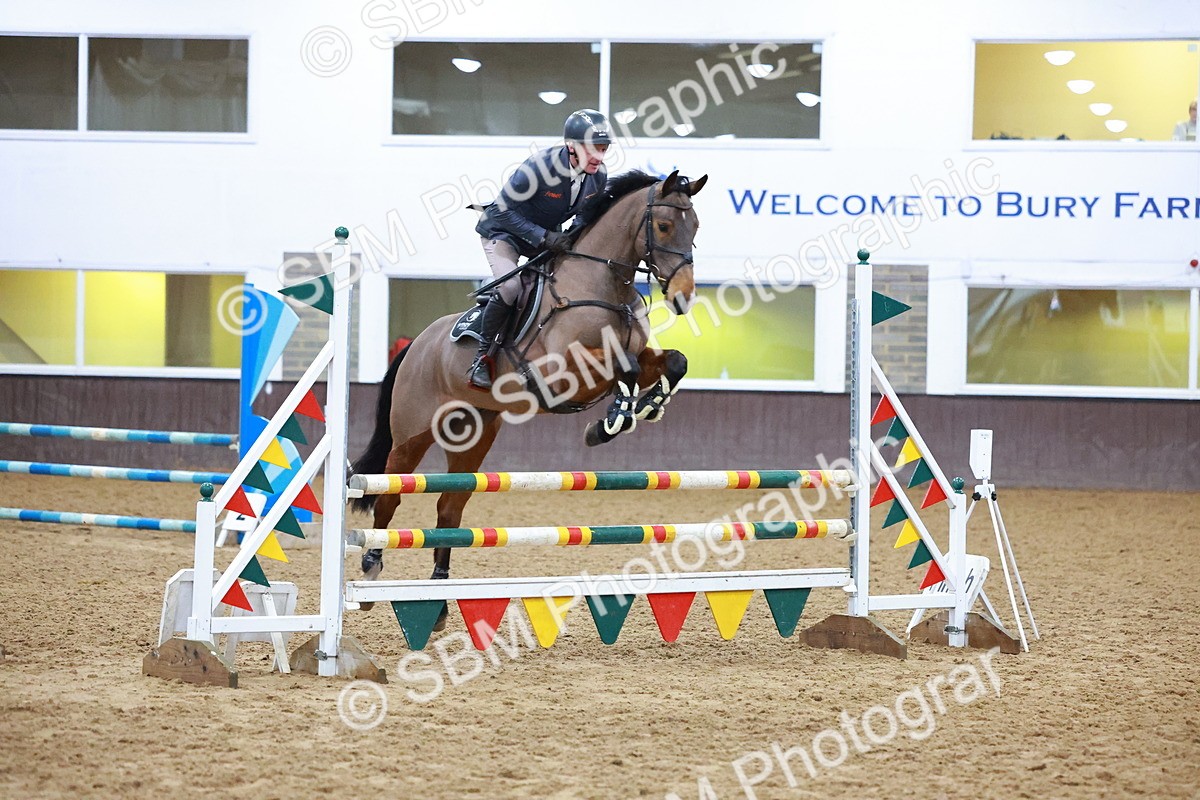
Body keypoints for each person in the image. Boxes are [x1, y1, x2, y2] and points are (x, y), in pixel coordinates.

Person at [469, 108, 613, 389]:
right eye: (592, 148)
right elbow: (500, 211)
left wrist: (571, 233)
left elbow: (587, 212)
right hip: (503, 232)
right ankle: (482, 357)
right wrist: (543, 237)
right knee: (510, 288)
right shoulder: (539, 168)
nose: (599, 156)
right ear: (571, 146)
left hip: (546, 236)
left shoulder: (598, 176)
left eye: (604, 148)